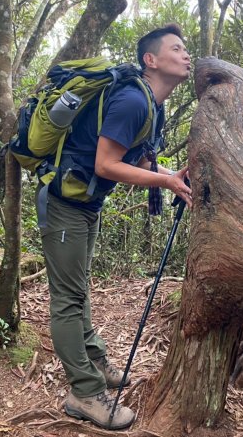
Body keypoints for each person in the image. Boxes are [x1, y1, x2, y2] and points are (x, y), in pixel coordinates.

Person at [38, 23, 192, 431]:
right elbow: (105, 164)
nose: (186, 55)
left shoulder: (152, 106)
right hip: (64, 205)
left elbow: (136, 158)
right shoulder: (131, 100)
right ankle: (84, 394)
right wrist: (165, 181)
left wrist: (171, 173)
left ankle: (93, 361)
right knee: (68, 299)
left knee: (78, 288)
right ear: (151, 60)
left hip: (85, 205)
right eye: (177, 49)